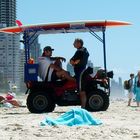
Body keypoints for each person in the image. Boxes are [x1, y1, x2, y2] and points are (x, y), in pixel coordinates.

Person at [70, 38, 89, 108]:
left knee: (81, 91)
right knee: (82, 91)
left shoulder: (79, 51)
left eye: (74, 42)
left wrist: (73, 62)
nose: (73, 44)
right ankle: (83, 107)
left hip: (80, 72)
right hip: (82, 71)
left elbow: (72, 61)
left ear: (78, 43)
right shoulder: (84, 50)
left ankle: (83, 108)